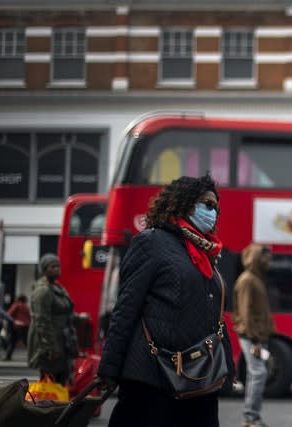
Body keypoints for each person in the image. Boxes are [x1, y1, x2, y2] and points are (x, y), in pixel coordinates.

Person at [97, 174, 235, 427]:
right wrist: (110, 366)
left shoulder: (206, 251)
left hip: (198, 378)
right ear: (183, 203)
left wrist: (227, 365)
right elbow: (126, 307)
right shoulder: (152, 242)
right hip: (152, 376)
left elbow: (214, 313)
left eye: (216, 207)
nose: (212, 212)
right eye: (206, 204)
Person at [232, 243, 275, 427]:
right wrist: (255, 340)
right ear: (258, 257)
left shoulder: (256, 279)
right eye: (267, 257)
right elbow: (245, 313)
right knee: (259, 373)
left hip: (257, 336)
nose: (270, 261)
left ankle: (251, 418)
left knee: (254, 374)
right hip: (252, 337)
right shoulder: (248, 280)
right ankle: (250, 417)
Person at [27, 253, 78, 385]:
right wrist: (51, 348)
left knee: (61, 380)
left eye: (58, 266)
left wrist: (80, 317)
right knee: (50, 384)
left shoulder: (57, 287)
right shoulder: (43, 290)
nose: (57, 269)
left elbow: (65, 311)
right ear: (44, 269)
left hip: (62, 342)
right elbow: (41, 321)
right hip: (51, 345)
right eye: (52, 266)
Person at [4, 294, 31, 361]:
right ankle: (31, 356)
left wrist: (12, 321)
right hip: (25, 325)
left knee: (13, 341)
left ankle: (8, 356)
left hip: (17, 325)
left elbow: (9, 314)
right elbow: (29, 317)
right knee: (26, 341)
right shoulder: (26, 307)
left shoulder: (16, 305)